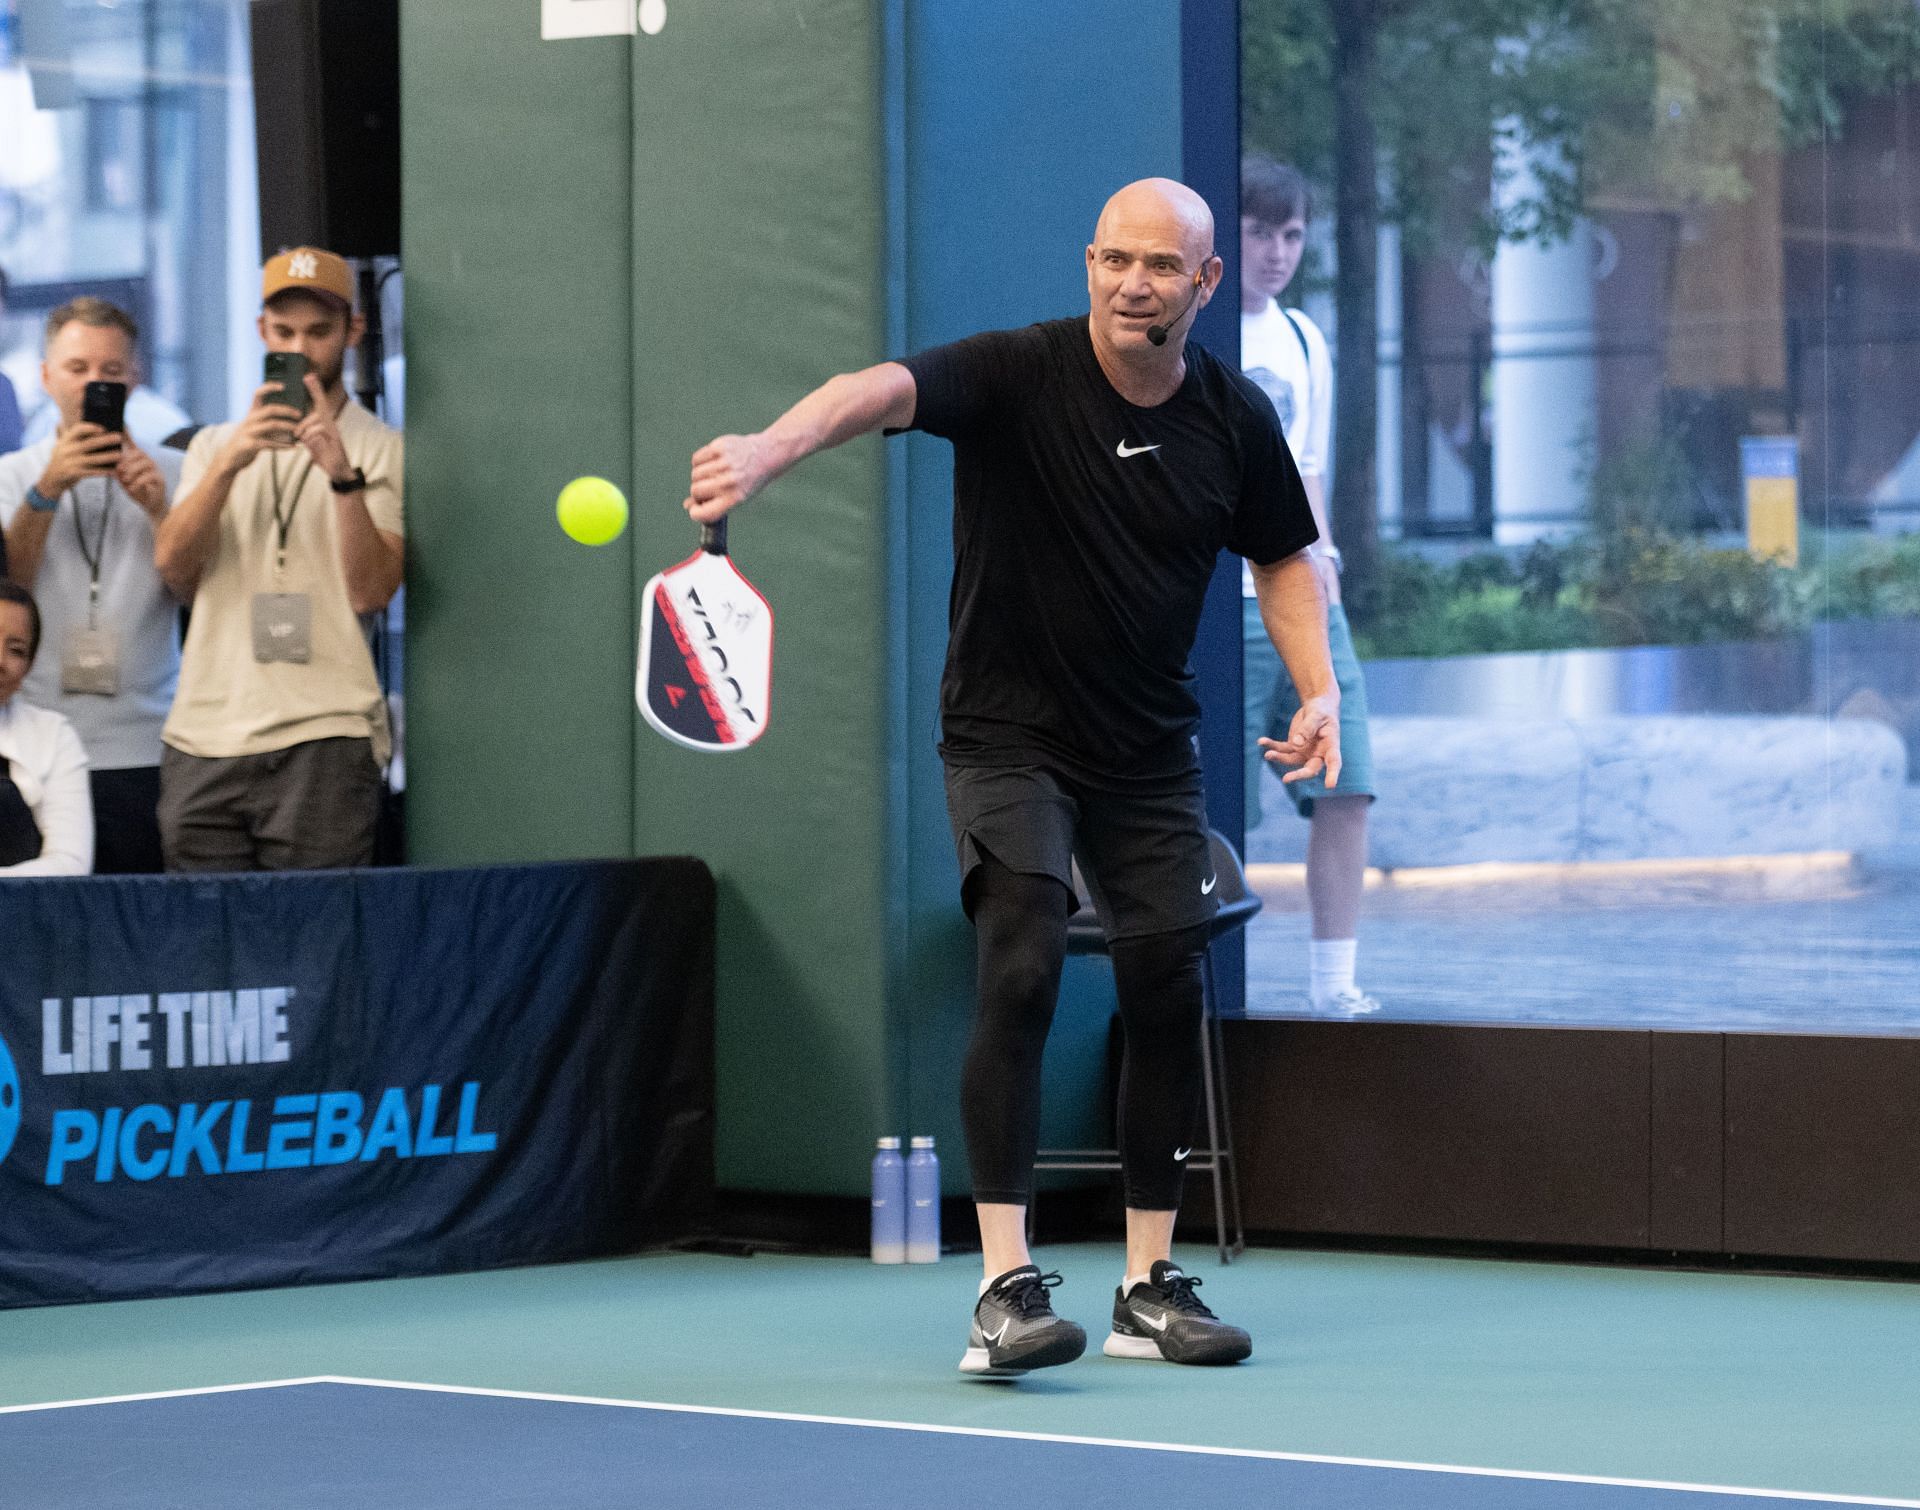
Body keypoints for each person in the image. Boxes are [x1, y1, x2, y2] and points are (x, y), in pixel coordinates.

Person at [684, 179, 1339, 1375]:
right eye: (1113, 259)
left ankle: (1148, 1285)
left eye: (1160, 266)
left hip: (1147, 746)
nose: (1132, 282)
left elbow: (1284, 554)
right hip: (1005, 734)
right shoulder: (1015, 371)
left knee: (1163, 984)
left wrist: (1319, 687)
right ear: (1089, 263)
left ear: (1207, 283)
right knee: (1025, 951)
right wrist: (771, 450)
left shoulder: (1231, 417)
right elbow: (877, 390)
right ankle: (1003, 1287)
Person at [153, 247, 403, 871]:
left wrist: (341, 476)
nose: (302, 348)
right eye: (285, 332)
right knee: (207, 948)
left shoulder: (385, 449)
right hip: (205, 732)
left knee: (313, 945)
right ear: (261, 333)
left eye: (319, 331)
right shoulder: (213, 445)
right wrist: (231, 463)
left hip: (324, 732)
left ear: (353, 332)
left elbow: (373, 592)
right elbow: (176, 573)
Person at [1239, 155, 1381, 1017]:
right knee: (1208, 801)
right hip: (1219, 606)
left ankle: (1336, 986)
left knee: (1348, 782)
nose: (1278, 251)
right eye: (1262, 232)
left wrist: (1326, 565)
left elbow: (1310, 468)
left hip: (1304, 599)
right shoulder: (1196, 329)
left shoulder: (1302, 339)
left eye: (1292, 235)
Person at [0, 298, 181, 873]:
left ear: (136, 377)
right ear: (46, 376)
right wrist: (47, 489)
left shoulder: (173, 472)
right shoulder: (12, 476)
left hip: (149, 741)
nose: (93, 384)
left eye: (111, 370)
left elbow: (201, 593)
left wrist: (159, 510)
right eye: (77, 369)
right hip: (38, 737)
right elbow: (10, 592)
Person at [0, 579, 93, 875]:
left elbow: (71, 864)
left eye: (15, 650)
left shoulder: (53, 735)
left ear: (28, 665)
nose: (0, 661)